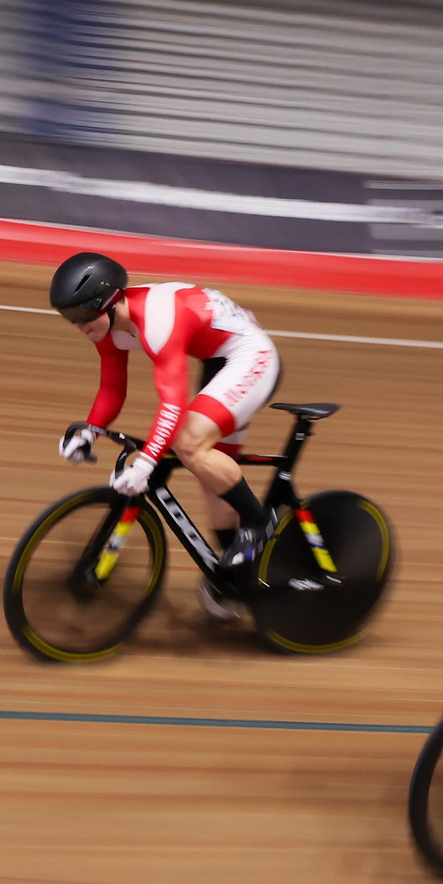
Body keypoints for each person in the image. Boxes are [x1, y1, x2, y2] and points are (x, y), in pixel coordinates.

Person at [49, 252, 281, 617]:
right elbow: (112, 390)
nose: (77, 325)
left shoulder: (157, 319)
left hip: (251, 356)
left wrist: (146, 461)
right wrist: (90, 432)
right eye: (69, 317)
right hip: (218, 360)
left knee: (188, 444)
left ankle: (259, 523)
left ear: (108, 303)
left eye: (81, 315)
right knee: (210, 476)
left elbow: (173, 404)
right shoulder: (106, 325)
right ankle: (240, 576)